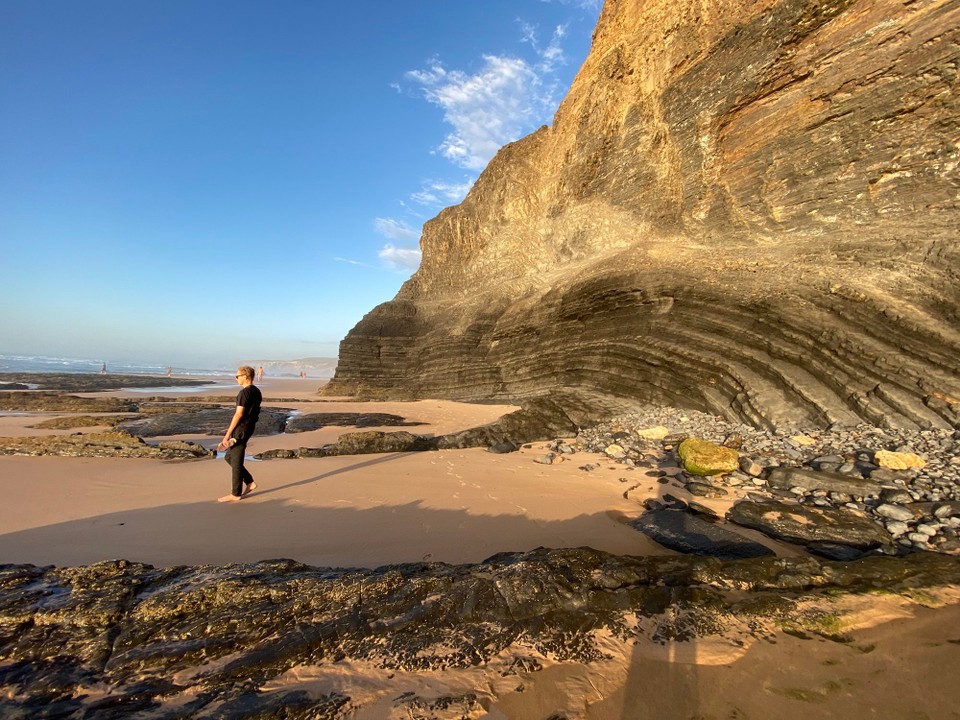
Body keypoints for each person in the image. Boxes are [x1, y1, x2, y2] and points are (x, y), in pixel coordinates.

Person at [217, 365, 262, 502]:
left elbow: (239, 414)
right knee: (229, 457)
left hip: (241, 428)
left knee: (236, 459)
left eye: (237, 376)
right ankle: (249, 482)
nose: (236, 378)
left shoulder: (244, 393)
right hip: (249, 427)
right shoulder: (256, 391)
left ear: (245, 376)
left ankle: (235, 493)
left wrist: (227, 435)